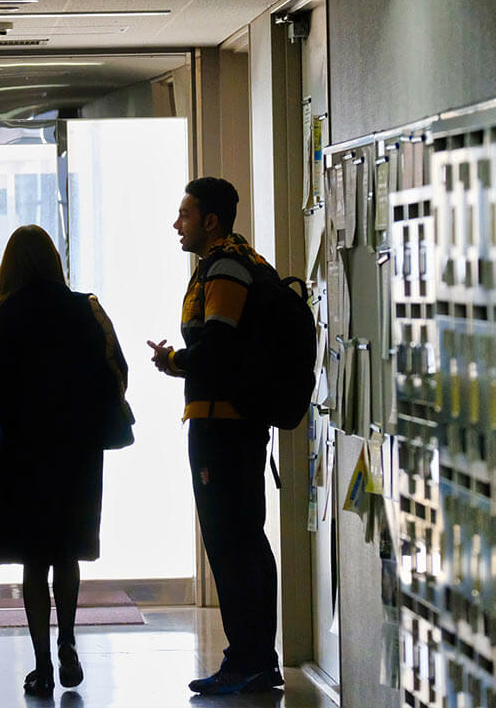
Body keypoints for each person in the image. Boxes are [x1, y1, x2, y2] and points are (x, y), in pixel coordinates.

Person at [146, 177, 284, 695]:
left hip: (223, 426)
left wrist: (175, 361)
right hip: (233, 422)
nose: (176, 224)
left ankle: (247, 659)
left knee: (232, 543)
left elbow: (219, 348)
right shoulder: (242, 260)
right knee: (243, 539)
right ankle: (255, 658)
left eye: (184, 215)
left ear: (210, 220)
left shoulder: (225, 267)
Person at [0, 225, 127, 699]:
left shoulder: (2, 316)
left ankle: (42, 664)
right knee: (66, 552)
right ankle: (68, 640)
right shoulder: (85, 308)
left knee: (33, 559)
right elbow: (117, 371)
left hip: (21, 452)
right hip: (76, 450)